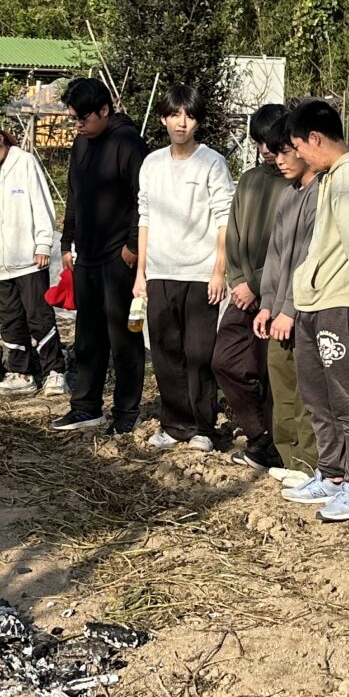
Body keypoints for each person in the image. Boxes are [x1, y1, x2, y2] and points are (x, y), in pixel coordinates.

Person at [281, 99, 349, 523]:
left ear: (316, 140)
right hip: (316, 300)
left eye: (298, 147)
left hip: (343, 301)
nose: (298, 156)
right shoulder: (331, 176)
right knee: (317, 395)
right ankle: (332, 471)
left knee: (346, 398)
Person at [133, 85, 235, 450]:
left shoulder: (212, 162)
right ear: (163, 118)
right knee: (164, 352)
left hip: (200, 273)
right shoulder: (152, 163)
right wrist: (141, 272)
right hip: (160, 272)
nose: (181, 122)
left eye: (189, 115)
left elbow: (225, 218)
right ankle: (175, 424)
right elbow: (144, 216)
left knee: (199, 354)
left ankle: (204, 429)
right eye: (175, 115)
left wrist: (219, 270)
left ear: (198, 121)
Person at [54, 78, 148, 436]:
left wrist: (134, 245)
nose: (77, 124)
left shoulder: (128, 144)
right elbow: (74, 194)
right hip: (87, 256)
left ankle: (126, 411)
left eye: (83, 118)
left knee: (123, 338)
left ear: (104, 111)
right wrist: (67, 241)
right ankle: (85, 407)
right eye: (74, 118)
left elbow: (145, 200)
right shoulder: (81, 144)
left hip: (118, 257)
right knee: (87, 337)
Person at [215, 103, 292, 467]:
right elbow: (233, 234)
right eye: (259, 141)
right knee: (225, 362)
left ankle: (276, 449)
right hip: (244, 295)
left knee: (272, 373)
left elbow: (291, 250)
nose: (264, 149)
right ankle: (260, 433)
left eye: (270, 141)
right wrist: (239, 280)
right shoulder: (249, 179)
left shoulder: (296, 184)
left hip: (278, 298)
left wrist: (259, 285)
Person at [0, 116, 65, 397]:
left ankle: (55, 371)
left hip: (28, 259)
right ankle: (20, 373)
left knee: (39, 316)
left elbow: (41, 203)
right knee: (10, 319)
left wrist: (43, 244)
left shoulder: (24, 163)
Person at [253, 125, 321, 489]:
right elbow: (276, 255)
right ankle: (288, 455)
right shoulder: (288, 195)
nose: (278, 161)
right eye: (274, 153)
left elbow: (309, 258)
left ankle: (309, 463)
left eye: (285, 152)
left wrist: (290, 309)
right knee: (280, 383)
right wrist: (267, 305)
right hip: (277, 308)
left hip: (304, 309)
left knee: (305, 390)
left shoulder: (319, 194)